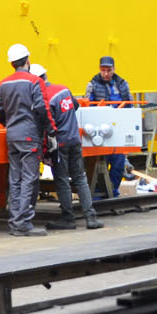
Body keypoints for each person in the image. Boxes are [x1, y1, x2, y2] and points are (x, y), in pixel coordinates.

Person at [0, 42, 50, 236]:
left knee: (15, 179)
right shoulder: (35, 82)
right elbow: (42, 109)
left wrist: (10, 124)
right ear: (28, 60)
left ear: (12, 63)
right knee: (29, 179)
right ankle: (23, 223)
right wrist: (49, 130)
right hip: (29, 135)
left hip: (12, 135)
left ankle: (15, 221)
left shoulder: (3, 84)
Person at [34, 65, 101, 229]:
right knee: (80, 178)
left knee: (62, 179)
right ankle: (91, 217)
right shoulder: (63, 90)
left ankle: (68, 218)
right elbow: (75, 106)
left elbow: (45, 122)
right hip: (74, 139)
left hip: (59, 143)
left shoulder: (43, 98)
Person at [85, 55, 133, 199]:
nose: (105, 73)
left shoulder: (122, 84)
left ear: (114, 69)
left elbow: (129, 104)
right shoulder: (92, 85)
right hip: (100, 130)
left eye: (108, 70)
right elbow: (87, 106)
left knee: (118, 162)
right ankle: (98, 192)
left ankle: (113, 190)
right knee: (100, 162)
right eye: (103, 70)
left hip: (119, 128)